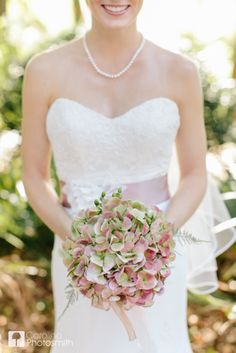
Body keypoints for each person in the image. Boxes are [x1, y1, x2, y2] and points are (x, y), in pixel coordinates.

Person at [21, 1, 235, 352]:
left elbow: (195, 174)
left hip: (157, 258)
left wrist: (154, 240)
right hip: (75, 251)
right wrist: (81, 243)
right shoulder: (43, 70)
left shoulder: (180, 71)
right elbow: (33, 174)